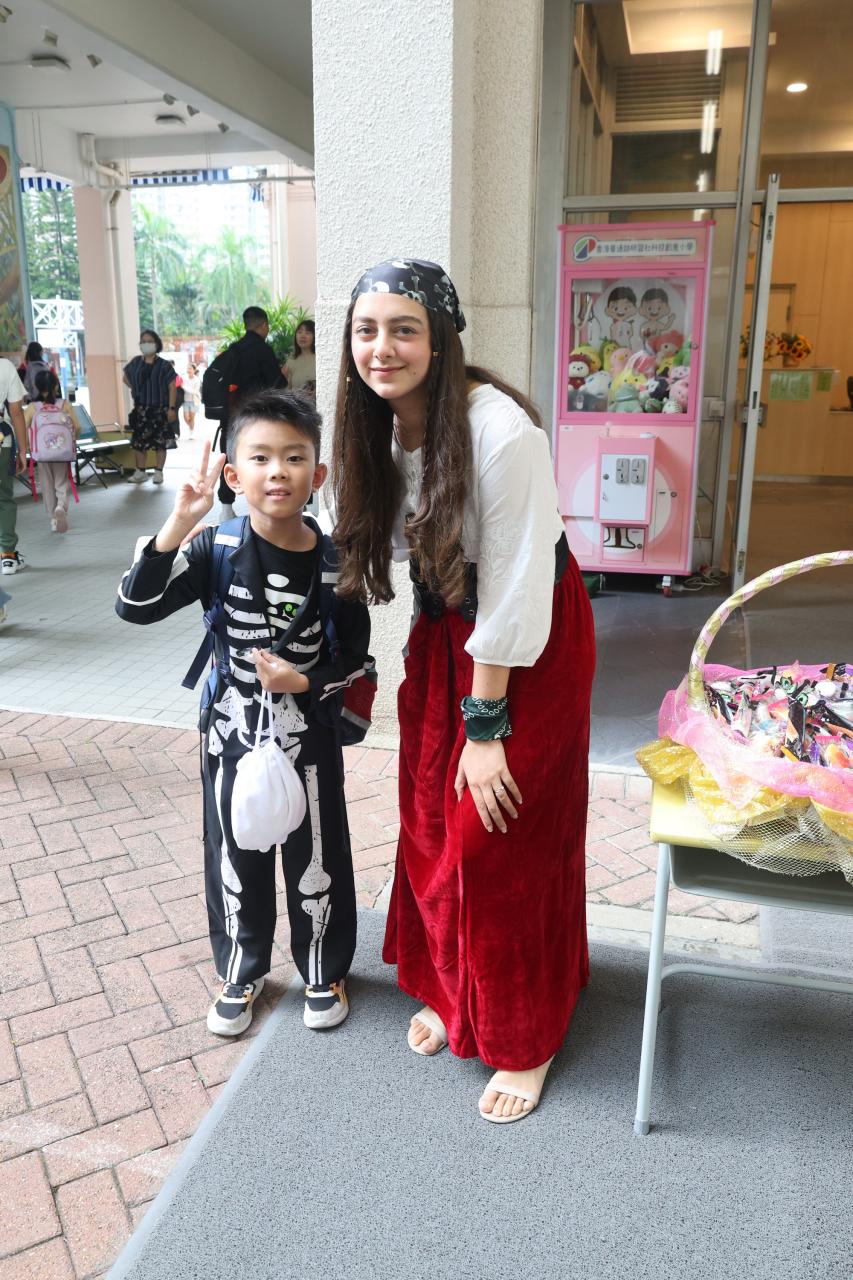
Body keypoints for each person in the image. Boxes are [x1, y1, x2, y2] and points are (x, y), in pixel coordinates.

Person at [330, 258, 596, 1124]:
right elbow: (386, 552)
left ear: (441, 339)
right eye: (366, 330)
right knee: (430, 818)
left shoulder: (499, 431)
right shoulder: (377, 428)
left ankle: (526, 1033)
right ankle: (455, 992)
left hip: (526, 641)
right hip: (448, 629)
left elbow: (515, 588)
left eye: (404, 329)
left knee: (497, 835)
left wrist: (485, 728)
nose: (382, 348)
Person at [116, 390, 374, 1038]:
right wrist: (177, 524)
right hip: (231, 728)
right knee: (233, 850)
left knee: (318, 849)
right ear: (233, 474)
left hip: (308, 729)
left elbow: (357, 662)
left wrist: (304, 679)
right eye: (259, 457)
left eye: (294, 457)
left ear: (317, 474)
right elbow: (134, 607)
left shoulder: (337, 561)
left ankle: (323, 968)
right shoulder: (213, 549)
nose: (277, 471)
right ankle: (241, 969)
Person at [211, 306, 286, 522]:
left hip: (231, 416)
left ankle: (226, 508)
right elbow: (277, 383)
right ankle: (261, 506)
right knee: (261, 458)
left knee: (229, 458)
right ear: (264, 326)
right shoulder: (263, 350)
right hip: (257, 416)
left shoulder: (234, 350)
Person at [24, 369, 79, 534]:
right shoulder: (64, 405)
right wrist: (69, 442)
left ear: (36, 386)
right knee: (61, 483)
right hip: (62, 453)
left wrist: (28, 447)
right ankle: (61, 506)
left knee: (47, 486)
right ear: (56, 386)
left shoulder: (33, 408)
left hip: (42, 455)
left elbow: (24, 428)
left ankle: (54, 520)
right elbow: (77, 427)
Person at [123, 329, 178, 485]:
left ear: (156, 344)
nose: (146, 344)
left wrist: (171, 408)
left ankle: (158, 472)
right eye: (143, 341)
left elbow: (172, 387)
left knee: (160, 442)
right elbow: (125, 378)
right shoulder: (135, 363)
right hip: (141, 409)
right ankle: (140, 472)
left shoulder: (164, 365)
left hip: (160, 409)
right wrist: (135, 388)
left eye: (149, 341)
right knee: (139, 443)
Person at [0, 356, 28, 575]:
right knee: (3, 499)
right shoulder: (4, 367)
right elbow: (16, 411)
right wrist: (22, 451)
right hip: (2, 442)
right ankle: (8, 556)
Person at [284, 320, 316, 397]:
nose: (302, 336)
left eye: (307, 333)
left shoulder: (321, 358)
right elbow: (287, 391)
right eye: (299, 332)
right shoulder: (291, 361)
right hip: (298, 403)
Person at [182, 362, 201, 435]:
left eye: (190, 369)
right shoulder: (184, 378)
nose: (188, 370)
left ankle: (191, 432)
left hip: (194, 401)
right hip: (185, 401)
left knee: (192, 418)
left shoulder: (197, 380)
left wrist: (184, 387)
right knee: (186, 418)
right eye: (188, 369)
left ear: (194, 370)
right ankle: (191, 427)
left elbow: (194, 391)